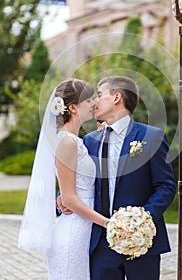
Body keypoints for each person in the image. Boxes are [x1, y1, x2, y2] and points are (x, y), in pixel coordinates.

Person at [59, 75, 176, 280]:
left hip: (142, 242)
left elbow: (165, 186)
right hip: (100, 243)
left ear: (116, 98)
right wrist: (62, 197)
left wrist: (140, 221)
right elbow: (80, 178)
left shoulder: (151, 136)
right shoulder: (90, 140)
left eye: (100, 95)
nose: (94, 101)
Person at [18, 78, 109, 280]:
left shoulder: (76, 141)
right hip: (72, 234)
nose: (94, 103)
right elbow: (69, 198)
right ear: (73, 108)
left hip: (83, 230)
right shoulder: (67, 143)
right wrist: (107, 223)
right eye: (88, 100)